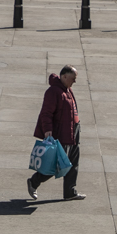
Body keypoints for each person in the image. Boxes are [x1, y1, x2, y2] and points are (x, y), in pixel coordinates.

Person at [28, 64, 83, 201]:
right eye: (73, 78)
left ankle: (70, 192)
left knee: (73, 163)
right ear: (64, 76)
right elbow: (46, 113)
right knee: (57, 165)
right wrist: (48, 130)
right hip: (61, 133)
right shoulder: (54, 92)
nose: (74, 81)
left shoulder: (67, 89)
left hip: (73, 130)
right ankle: (33, 182)